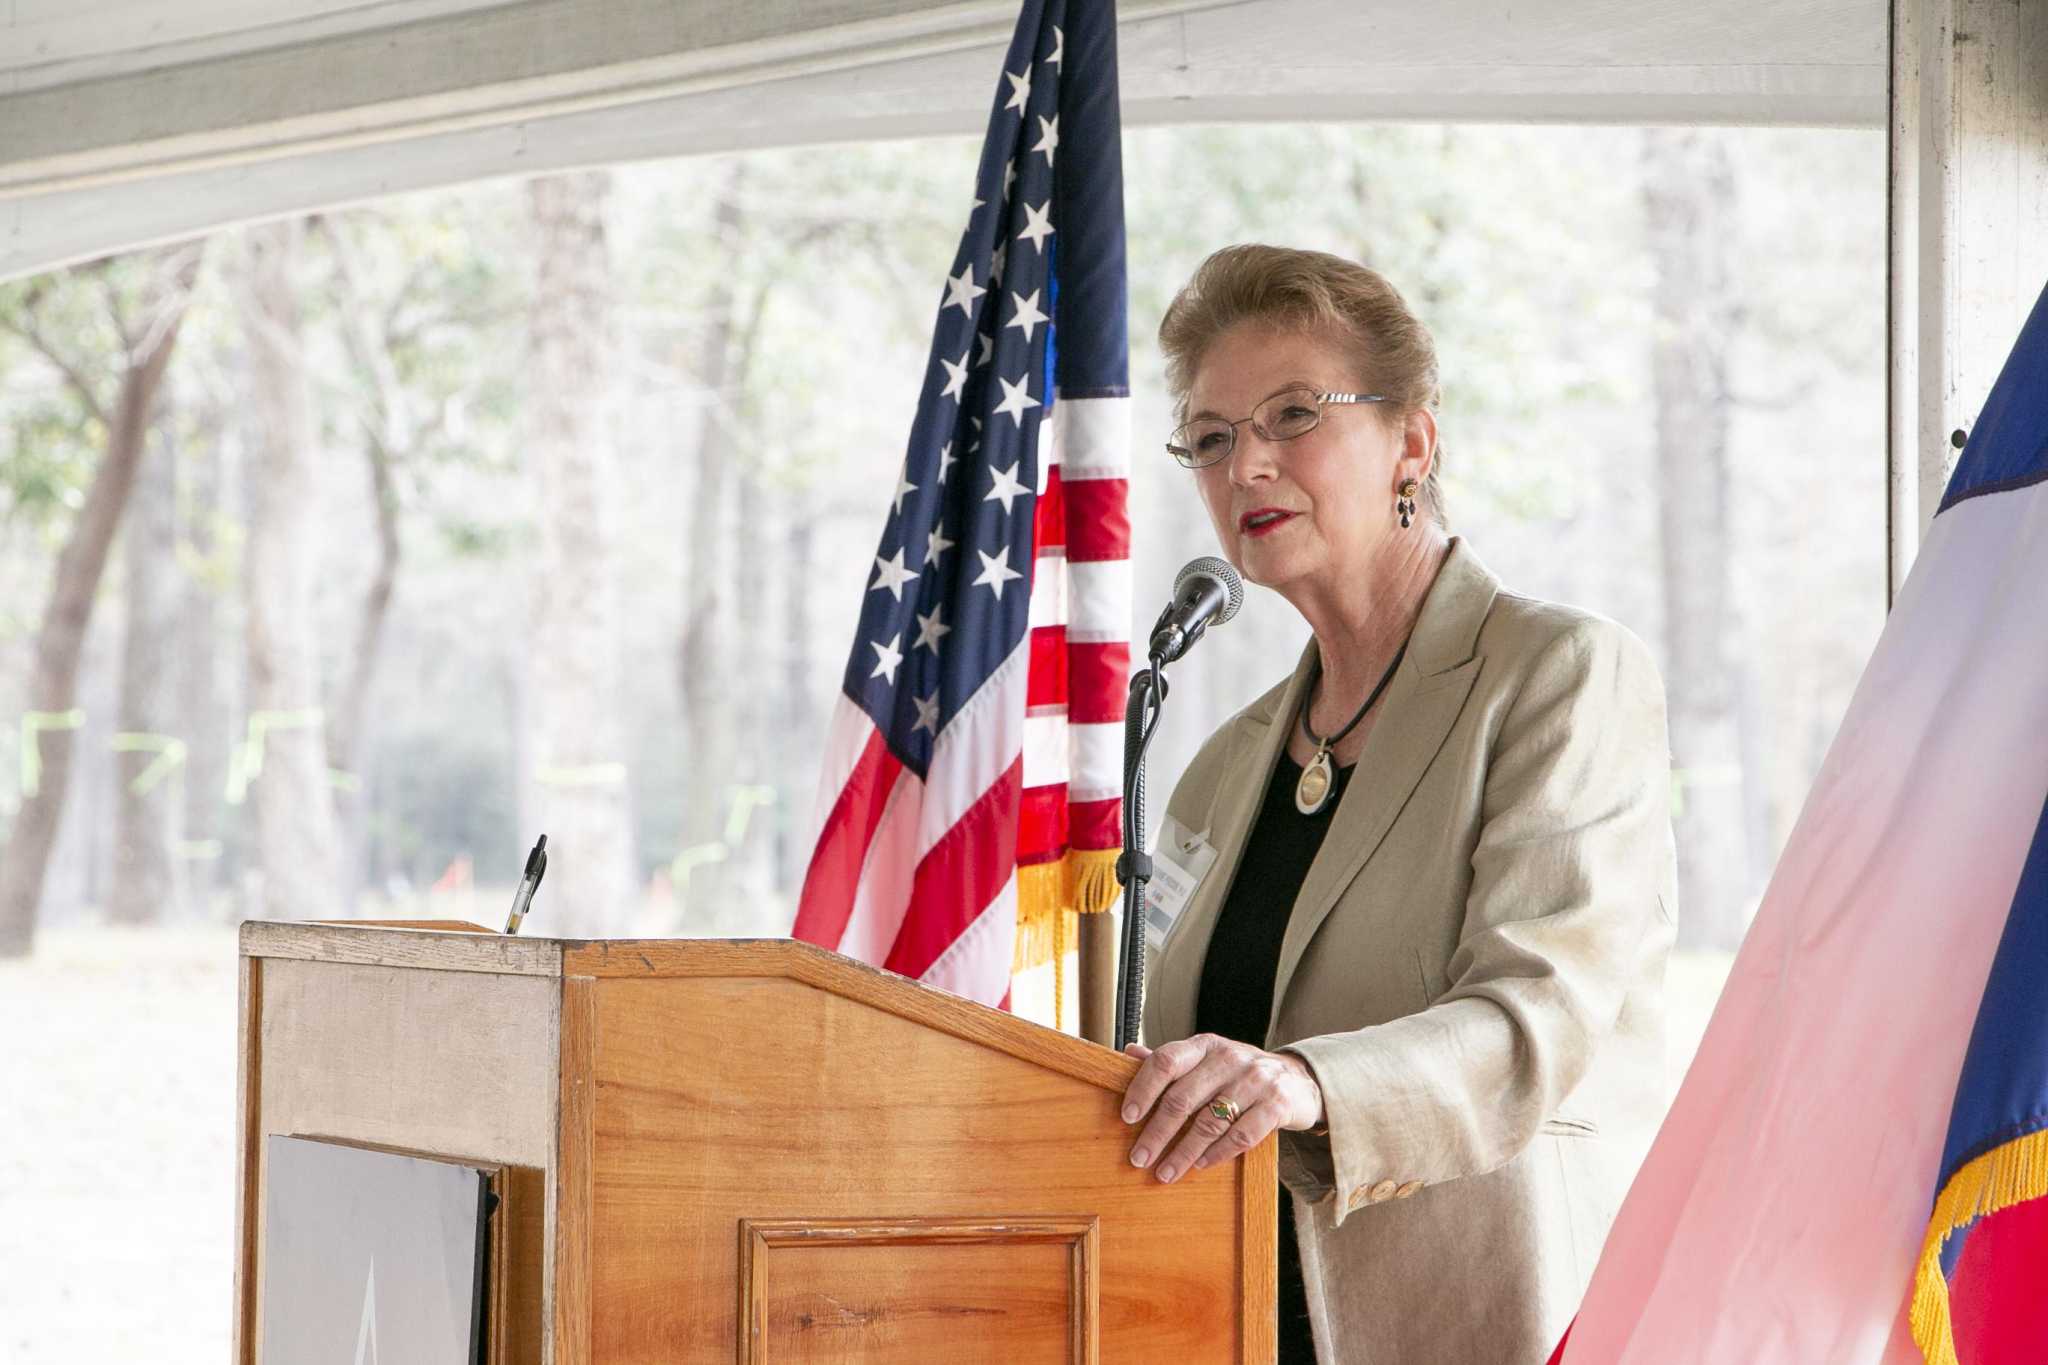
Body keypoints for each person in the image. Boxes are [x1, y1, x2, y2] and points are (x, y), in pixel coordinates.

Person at [1122, 244, 1677, 1364]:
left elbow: (1536, 1016)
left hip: (1478, 1316)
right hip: (1217, 1322)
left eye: (1292, 416)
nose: (1246, 466)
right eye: (1212, 438)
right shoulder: (1222, 766)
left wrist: (1304, 1082)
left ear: (1412, 444)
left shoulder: (1556, 674)